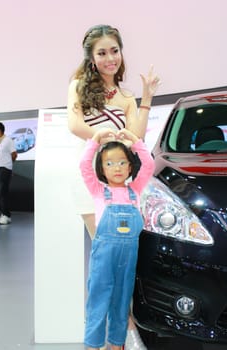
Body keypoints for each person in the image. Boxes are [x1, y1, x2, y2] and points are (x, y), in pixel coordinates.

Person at [67, 24, 159, 350]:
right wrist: (104, 133)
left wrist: (145, 98)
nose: (110, 58)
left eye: (114, 51)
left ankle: (119, 339)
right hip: (93, 179)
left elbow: (136, 136)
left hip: (123, 180)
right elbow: (75, 123)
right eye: (102, 52)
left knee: (123, 267)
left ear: (121, 53)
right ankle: (101, 339)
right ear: (92, 58)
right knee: (104, 269)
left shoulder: (126, 96)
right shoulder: (79, 85)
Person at [80, 127, 155, 350]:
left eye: (122, 162)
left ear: (131, 166)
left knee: (122, 302)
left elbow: (149, 165)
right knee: (98, 299)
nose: (117, 168)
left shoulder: (135, 190)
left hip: (128, 257)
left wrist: (135, 140)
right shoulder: (98, 191)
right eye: (110, 163)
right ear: (101, 169)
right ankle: (93, 345)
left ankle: (116, 344)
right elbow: (84, 166)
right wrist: (94, 140)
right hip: (104, 256)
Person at [0, 122, 17, 225]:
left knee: (2, 192)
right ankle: (5, 215)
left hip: (5, 169)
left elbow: (14, 154)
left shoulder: (8, 140)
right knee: (0, 193)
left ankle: (6, 215)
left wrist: (9, 166)